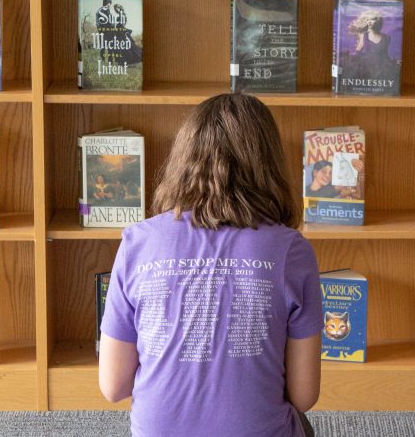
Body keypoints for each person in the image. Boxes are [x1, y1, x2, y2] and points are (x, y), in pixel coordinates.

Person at [99, 93, 322, 437]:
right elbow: (304, 396)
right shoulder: (291, 250)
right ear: (269, 163)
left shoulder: (138, 242)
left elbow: (113, 386)